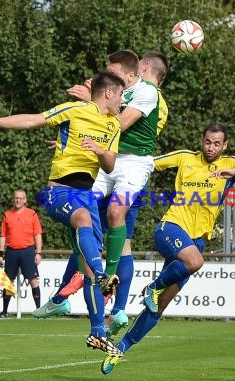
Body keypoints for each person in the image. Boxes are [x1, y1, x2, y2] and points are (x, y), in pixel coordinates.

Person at [0, 71, 126, 357]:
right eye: (120, 95)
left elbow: (109, 165)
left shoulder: (114, 125)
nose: (122, 101)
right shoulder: (76, 110)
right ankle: (103, 277)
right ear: (108, 93)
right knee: (84, 227)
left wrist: (98, 151)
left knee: (89, 270)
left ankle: (97, 333)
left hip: (86, 197)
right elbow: (33, 119)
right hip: (59, 192)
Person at [99, 123, 235, 375]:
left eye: (216, 143)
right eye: (207, 142)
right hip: (171, 228)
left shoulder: (230, 164)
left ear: (225, 145)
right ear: (202, 140)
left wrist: (232, 171)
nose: (211, 147)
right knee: (195, 262)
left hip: (196, 242)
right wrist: (105, 157)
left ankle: (120, 348)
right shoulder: (184, 157)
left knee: (161, 305)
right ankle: (152, 287)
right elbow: (147, 163)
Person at [36, 51, 170, 338]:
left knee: (115, 214)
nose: (108, 76)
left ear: (137, 70)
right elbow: (102, 125)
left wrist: (92, 100)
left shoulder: (148, 93)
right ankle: (67, 292)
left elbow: (117, 124)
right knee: (81, 210)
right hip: (107, 159)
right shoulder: (120, 92)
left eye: (113, 71)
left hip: (133, 165)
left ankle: (108, 286)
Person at [0, 189, 43, 318]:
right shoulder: (7, 215)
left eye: (21, 198)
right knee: (8, 282)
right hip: (11, 252)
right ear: (13, 199)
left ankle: (39, 311)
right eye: (16, 198)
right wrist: (0, 254)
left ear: (25, 200)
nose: (18, 200)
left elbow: (37, 235)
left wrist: (38, 253)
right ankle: (5, 311)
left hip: (27, 251)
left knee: (33, 280)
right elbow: (3, 236)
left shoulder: (32, 214)